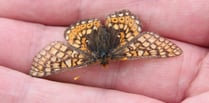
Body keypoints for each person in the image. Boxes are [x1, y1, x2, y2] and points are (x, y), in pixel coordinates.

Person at [0, 0, 208, 103]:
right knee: (138, 50)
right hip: (118, 35)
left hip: (87, 38)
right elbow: (146, 45)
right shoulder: (117, 54)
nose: (105, 65)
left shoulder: (89, 58)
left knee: (139, 51)